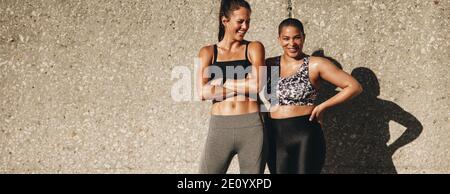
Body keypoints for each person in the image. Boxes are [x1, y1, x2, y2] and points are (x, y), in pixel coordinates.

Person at [265, 18, 363, 174]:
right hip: (274, 136)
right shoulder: (269, 64)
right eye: (286, 38)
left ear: (304, 37)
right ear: (279, 39)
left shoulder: (314, 64)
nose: (292, 43)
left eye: (297, 37)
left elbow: (354, 87)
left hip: (305, 135)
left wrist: (323, 106)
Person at [196, 0, 266, 174]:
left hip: (251, 127)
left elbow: (257, 84)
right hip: (220, 127)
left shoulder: (254, 48)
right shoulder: (207, 52)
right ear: (225, 20)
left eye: (248, 21)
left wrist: (224, 82)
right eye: (240, 21)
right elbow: (202, 92)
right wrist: (245, 83)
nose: (245, 26)